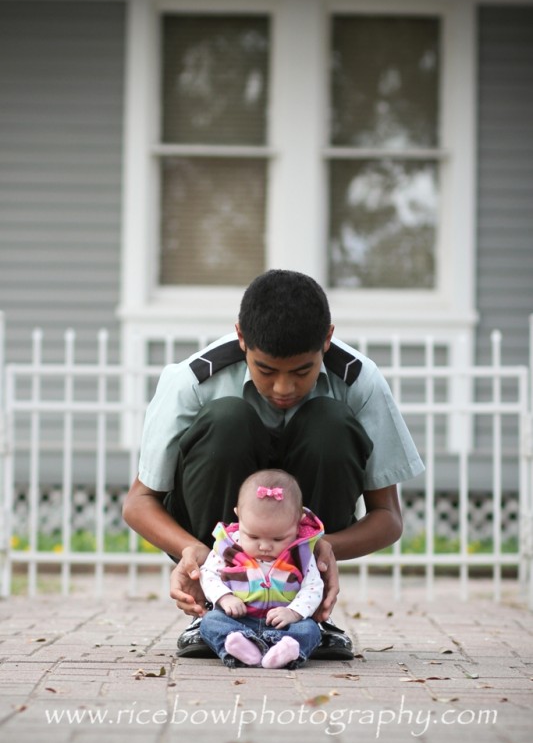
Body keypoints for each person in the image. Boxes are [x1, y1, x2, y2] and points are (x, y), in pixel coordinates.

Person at [122, 269, 424, 659]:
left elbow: (388, 517)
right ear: (241, 337)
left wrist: (322, 548)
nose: (284, 388)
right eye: (266, 370)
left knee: (328, 423)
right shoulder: (191, 382)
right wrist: (193, 551)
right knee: (227, 420)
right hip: (217, 546)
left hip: (303, 555)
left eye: (302, 371)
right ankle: (218, 614)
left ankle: (307, 619)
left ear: (327, 339)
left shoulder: (360, 383)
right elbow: (138, 501)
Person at [199, 469, 323, 669]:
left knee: (310, 630)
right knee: (210, 621)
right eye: (254, 537)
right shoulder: (229, 546)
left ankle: (286, 650)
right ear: (239, 517)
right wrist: (225, 597)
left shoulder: (301, 553)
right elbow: (208, 573)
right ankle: (240, 646)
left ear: (298, 522)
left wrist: (293, 612)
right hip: (238, 620)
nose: (265, 546)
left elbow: (313, 587)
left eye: (278, 539)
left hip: (284, 623)